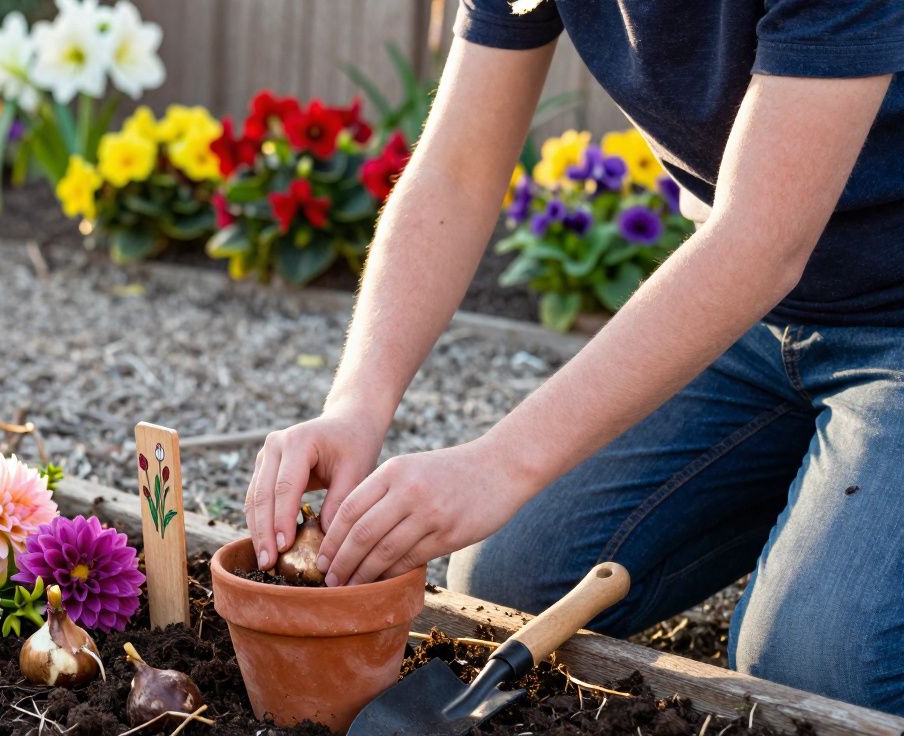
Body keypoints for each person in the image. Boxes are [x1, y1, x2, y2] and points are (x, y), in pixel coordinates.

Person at [243, 0, 904, 713]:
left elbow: (761, 242)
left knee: (809, 677)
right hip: (746, 320)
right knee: (511, 582)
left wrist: (501, 462)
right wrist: (356, 406)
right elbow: (457, 170)